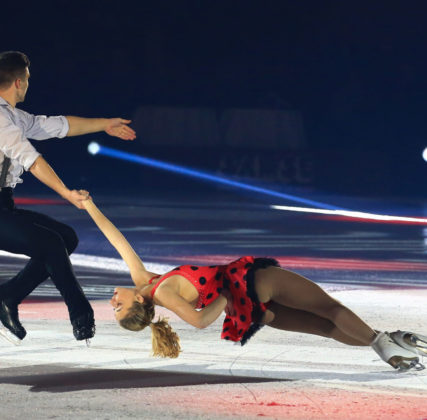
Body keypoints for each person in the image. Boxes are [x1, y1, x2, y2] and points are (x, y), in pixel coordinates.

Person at [82, 197, 426, 371]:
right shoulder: (164, 293)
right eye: (119, 307)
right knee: (330, 309)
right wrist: (226, 293)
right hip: (250, 285)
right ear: (140, 305)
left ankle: (388, 343)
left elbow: (117, 241)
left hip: (247, 310)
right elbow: (200, 321)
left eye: (114, 307)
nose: (113, 301)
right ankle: (385, 342)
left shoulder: (146, 282)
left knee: (325, 327)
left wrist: (89, 206)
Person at [0, 51, 136, 344]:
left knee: (65, 237)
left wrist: (104, 124)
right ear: (20, 82)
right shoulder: (0, 117)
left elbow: (58, 126)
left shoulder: (12, 115)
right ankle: (80, 311)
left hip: (3, 207)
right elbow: (32, 160)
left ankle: (7, 296)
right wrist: (66, 193)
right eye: (29, 79)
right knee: (50, 243)